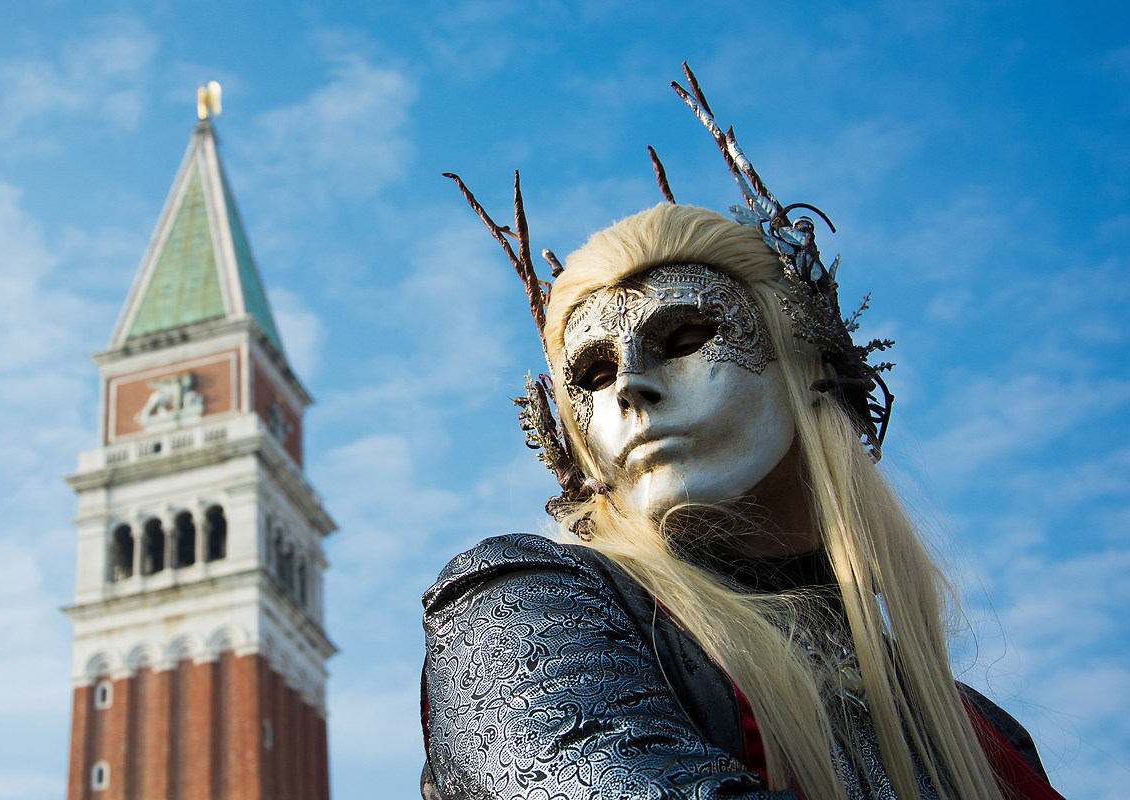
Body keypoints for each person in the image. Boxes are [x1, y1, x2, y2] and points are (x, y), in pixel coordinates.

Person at [422, 68, 1061, 800]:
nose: (629, 385)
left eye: (686, 336)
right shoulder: (533, 609)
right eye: (592, 377)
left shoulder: (983, 733)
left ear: (802, 365)